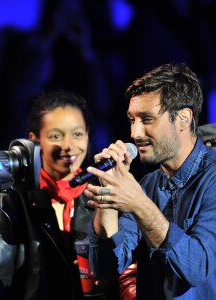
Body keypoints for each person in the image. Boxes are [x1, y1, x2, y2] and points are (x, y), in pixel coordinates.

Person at [84, 63, 216, 299]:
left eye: (147, 119)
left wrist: (139, 204)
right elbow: (105, 268)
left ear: (184, 119)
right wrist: (108, 200)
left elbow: (196, 268)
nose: (135, 133)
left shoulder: (212, 178)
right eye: (132, 120)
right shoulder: (147, 184)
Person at [0, 91, 118, 300]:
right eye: (55, 136)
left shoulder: (98, 195)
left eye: (77, 134)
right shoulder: (10, 198)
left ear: (88, 134)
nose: (68, 146)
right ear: (34, 140)